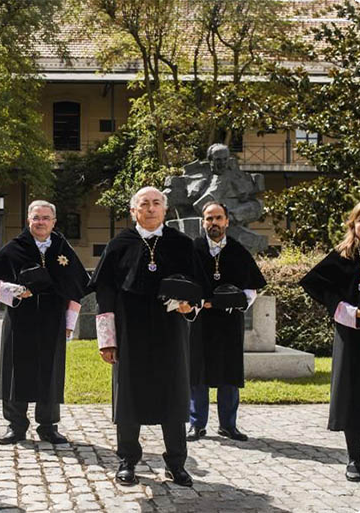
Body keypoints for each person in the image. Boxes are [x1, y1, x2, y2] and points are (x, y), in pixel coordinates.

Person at [90, 186, 205, 487]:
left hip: (170, 332)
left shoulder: (182, 244)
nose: (151, 208)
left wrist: (187, 306)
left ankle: (176, 462)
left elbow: (197, 289)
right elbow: (104, 295)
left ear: (165, 210)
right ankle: (128, 460)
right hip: (130, 332)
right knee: (129, 396)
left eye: (157, 203)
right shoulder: (119, 244)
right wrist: (107, 340)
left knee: (174, 395)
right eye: (144, 204)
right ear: (133, 211)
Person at [300, 199, 360, 483]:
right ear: (353, 225)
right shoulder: (342, 256)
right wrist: (347, 309)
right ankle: (354, 460)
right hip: (352, 333)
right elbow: (314, 284)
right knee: (352, 395)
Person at [0, 200, 89, 445]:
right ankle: (15, 425)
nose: (41, 222)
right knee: (15, 370)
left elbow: (76, 288)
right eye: (36, 217)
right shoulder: (15, 248)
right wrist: (15, 290)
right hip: (20, 319)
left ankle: (48, 426)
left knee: (50, 371)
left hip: (52, 319)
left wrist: (69, 323)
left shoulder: (64, 250)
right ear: (28, 220)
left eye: (46, 218)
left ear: (54, 222)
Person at [188, 202, 266, 442]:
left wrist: (229, 302)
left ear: (227, 222)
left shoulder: (238, 251)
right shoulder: (192, 250)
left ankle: (228, 425)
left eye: (218, 218)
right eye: (209, 218)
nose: (214, 223)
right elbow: (184, 285)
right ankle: (196, 424)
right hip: (199, 322)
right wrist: (202, 304)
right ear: (203, 222)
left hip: (229, 322)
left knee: (229, 372)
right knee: (197, 373)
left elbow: (251, 291)